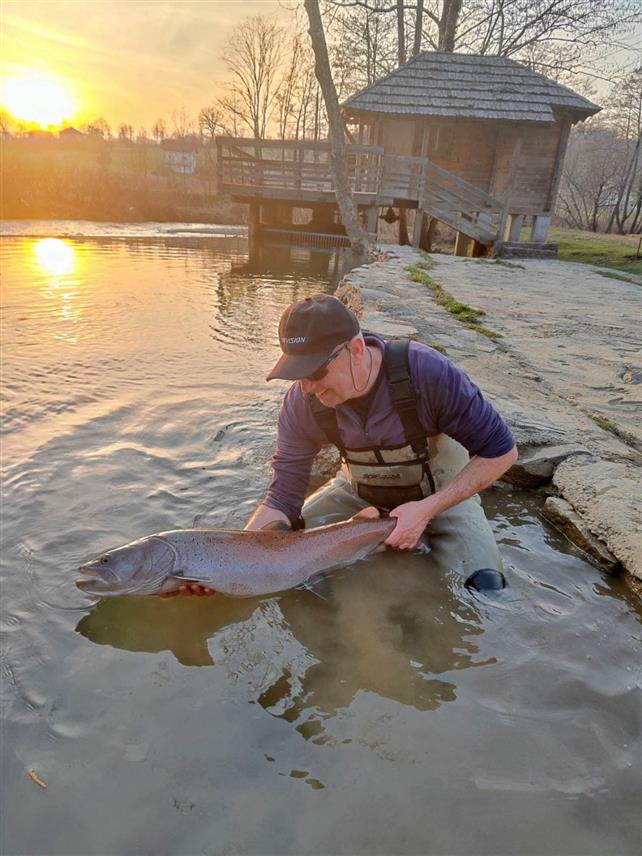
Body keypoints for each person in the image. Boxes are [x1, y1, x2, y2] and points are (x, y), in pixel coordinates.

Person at [168, 293, 517, 597]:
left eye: (315, 372)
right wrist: (231, 568)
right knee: (286, 558)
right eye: (296, 373)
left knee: (484, 587)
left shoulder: (429, 375)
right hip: (357, 493)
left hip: (440, 495)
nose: (306, 387)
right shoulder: (301, 402)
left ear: (355, 349)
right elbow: (282, 498)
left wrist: (425, 511)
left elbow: (502, 453)